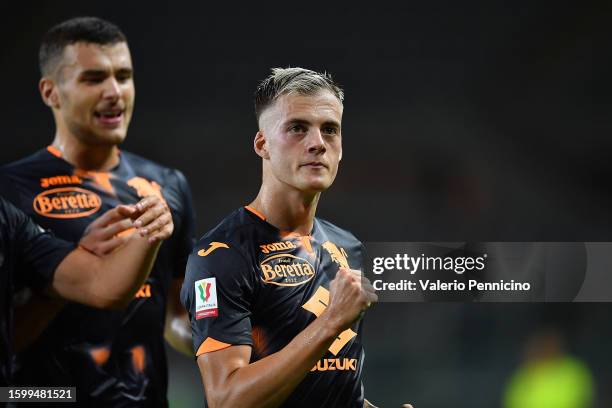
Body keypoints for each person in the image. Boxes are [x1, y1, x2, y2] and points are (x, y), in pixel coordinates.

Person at [0, 16, 195, 406]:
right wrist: (61, 285)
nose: (114, 92)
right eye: (94, 79)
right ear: (50, 92)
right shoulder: (10, 191)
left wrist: (235, 344)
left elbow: (175, 315)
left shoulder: (168, 185)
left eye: (123, 76)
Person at [181, 67, 403, 408]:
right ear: (262, 144)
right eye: (297, 128)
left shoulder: (347, 246)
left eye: (330, 130)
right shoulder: (222, 256)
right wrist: (330, 322)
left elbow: (329, 388)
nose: (317, 143)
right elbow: (226, 399)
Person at [1, 194, 172, 386]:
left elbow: (100, 284)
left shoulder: (6, 217)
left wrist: (150, 230)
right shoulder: (10, 183)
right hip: (30, 391)